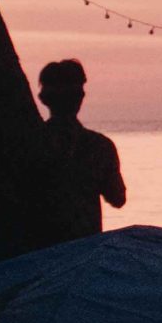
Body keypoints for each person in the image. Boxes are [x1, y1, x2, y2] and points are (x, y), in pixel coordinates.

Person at [35, 59, 126, 242]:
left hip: (37, 251)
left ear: (44, 98)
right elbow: (118, 198)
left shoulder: (32, 142)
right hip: (84, 250)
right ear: (80, 96)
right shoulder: (100, 146)